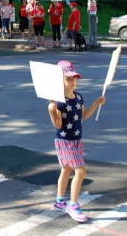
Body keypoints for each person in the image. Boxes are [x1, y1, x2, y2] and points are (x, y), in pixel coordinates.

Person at [48, 60, 106, 223]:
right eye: (68, 79)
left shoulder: (79, 97)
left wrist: (96, 103)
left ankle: (59, 201)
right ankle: (73, 205)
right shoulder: (57, 102)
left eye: (74, 78)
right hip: (64, 141)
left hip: (76, 140)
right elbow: (57, 125)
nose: (73, 81)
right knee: (80, 171)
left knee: (66, 169)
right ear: (59, 81)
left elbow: (84, 116)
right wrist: (53, 111)